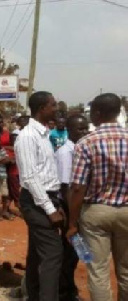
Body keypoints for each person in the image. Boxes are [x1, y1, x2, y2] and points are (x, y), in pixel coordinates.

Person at [67, 93, 128, 301]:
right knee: (126, 271)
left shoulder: (86, 143)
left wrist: (72, 223)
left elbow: (77, 187)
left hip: (96, 212)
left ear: (98, 113)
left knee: (99, 271)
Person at [15, 91, 64, 301]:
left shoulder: (44, 134)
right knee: (53, 254)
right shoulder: (27, 137)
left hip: (47, 198)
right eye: (53, 105)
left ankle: (33, 294)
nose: (56, 108)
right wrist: (50, 209)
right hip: (36, 202)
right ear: (42, 108)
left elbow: (47, 172)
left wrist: (56, 201)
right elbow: (30, 177)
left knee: (37, 253)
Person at [55, 114, 89, 301]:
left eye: (85, 128)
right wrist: (72, 219)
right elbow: (66, 186)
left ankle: (68, 287)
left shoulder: (79, 149)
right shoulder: (66, 152)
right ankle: (64, 291)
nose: (84, 132)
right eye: (80, 129)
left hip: (76, 206)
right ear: (69, 130)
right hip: (69, 207)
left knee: (74, 252)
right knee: (69, 251)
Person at [3, 133, 21, 218]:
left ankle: (5, 210)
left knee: (11, 194)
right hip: (12, 173)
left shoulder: (19, 149)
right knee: (16, 193)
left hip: (19, 174)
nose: (15, 141)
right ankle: (22, 211)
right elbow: (9, 161)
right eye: (13, 139)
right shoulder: (7, 151)